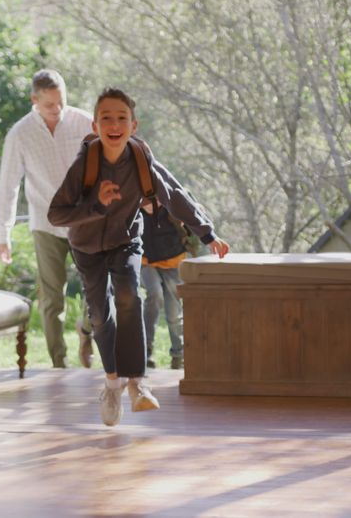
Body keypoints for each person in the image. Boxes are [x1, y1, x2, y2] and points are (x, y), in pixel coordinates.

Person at [48, 88, 230, 426]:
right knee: (101, 315)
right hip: (87, 248)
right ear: (95, 124)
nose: (114, 124)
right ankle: (112, 384)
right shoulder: (85, 164)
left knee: (131, 295)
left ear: (134, 125)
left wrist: (207, 234)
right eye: (106, 118)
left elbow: (173, 194)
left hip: (126, 241)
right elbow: (56, 215)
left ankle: (137, 383)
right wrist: (96, 206)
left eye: (122, 118)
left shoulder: (140, 159)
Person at [0, 69, 95, 369]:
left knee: (97, 287)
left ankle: (86, 331)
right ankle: (58, 365)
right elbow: (8, 184)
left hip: (84, 221)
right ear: (34, 100)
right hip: (46, 224)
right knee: (52, 300)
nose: (57, 109)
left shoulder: (84, 122)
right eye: (50, 104)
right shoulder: (20, 134)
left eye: (61, 101)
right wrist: (4, 234)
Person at [140, 202, 191, 369]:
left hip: (173, 260)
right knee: (154, 294)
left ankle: (178, 354)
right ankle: (146, 351)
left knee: (174, 312)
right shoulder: (134, 197)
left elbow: (196, 215)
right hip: (146, 260)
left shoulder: (171, 196)